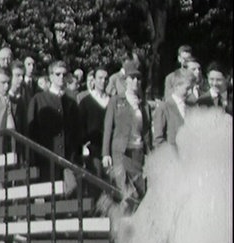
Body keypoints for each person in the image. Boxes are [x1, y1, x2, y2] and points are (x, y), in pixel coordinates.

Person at [27, 60, 82, 189]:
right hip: (46, 159)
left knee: (69, 198)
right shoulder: (38, 99)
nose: (61, 77)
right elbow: (31, 132)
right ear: (51, 77)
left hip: (68, 160)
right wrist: (33, 159)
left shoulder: (71, 103)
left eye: (64, 74)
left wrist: (75, 156)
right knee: (49, 199)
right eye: (58, 74)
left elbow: (76, 132)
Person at [102, 63, 152, 199]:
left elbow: (147, 132)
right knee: (124, 189)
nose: (136, 81)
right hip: (121, 152)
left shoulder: (144, 105)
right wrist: (105, 153)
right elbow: (108, 127)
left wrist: (150, 154)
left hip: (138, 151)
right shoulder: (116, 101)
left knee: (140, 188)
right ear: (125, 81)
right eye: (132, 78)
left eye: (138, 79)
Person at [153, 69, 197, 148]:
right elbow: (158, 140)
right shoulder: (164, 107)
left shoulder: (191, 107)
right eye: (187, 88)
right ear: (177, 86)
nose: (190, 92)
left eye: (192, 88)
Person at [79, 67, 110, 179]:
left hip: (109, 148)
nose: (103, 81)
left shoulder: (111, 101)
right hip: (93, 149)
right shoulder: (85, 102)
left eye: (106, 78)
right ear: (94, 80)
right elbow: (80, 126)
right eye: (100, 78)